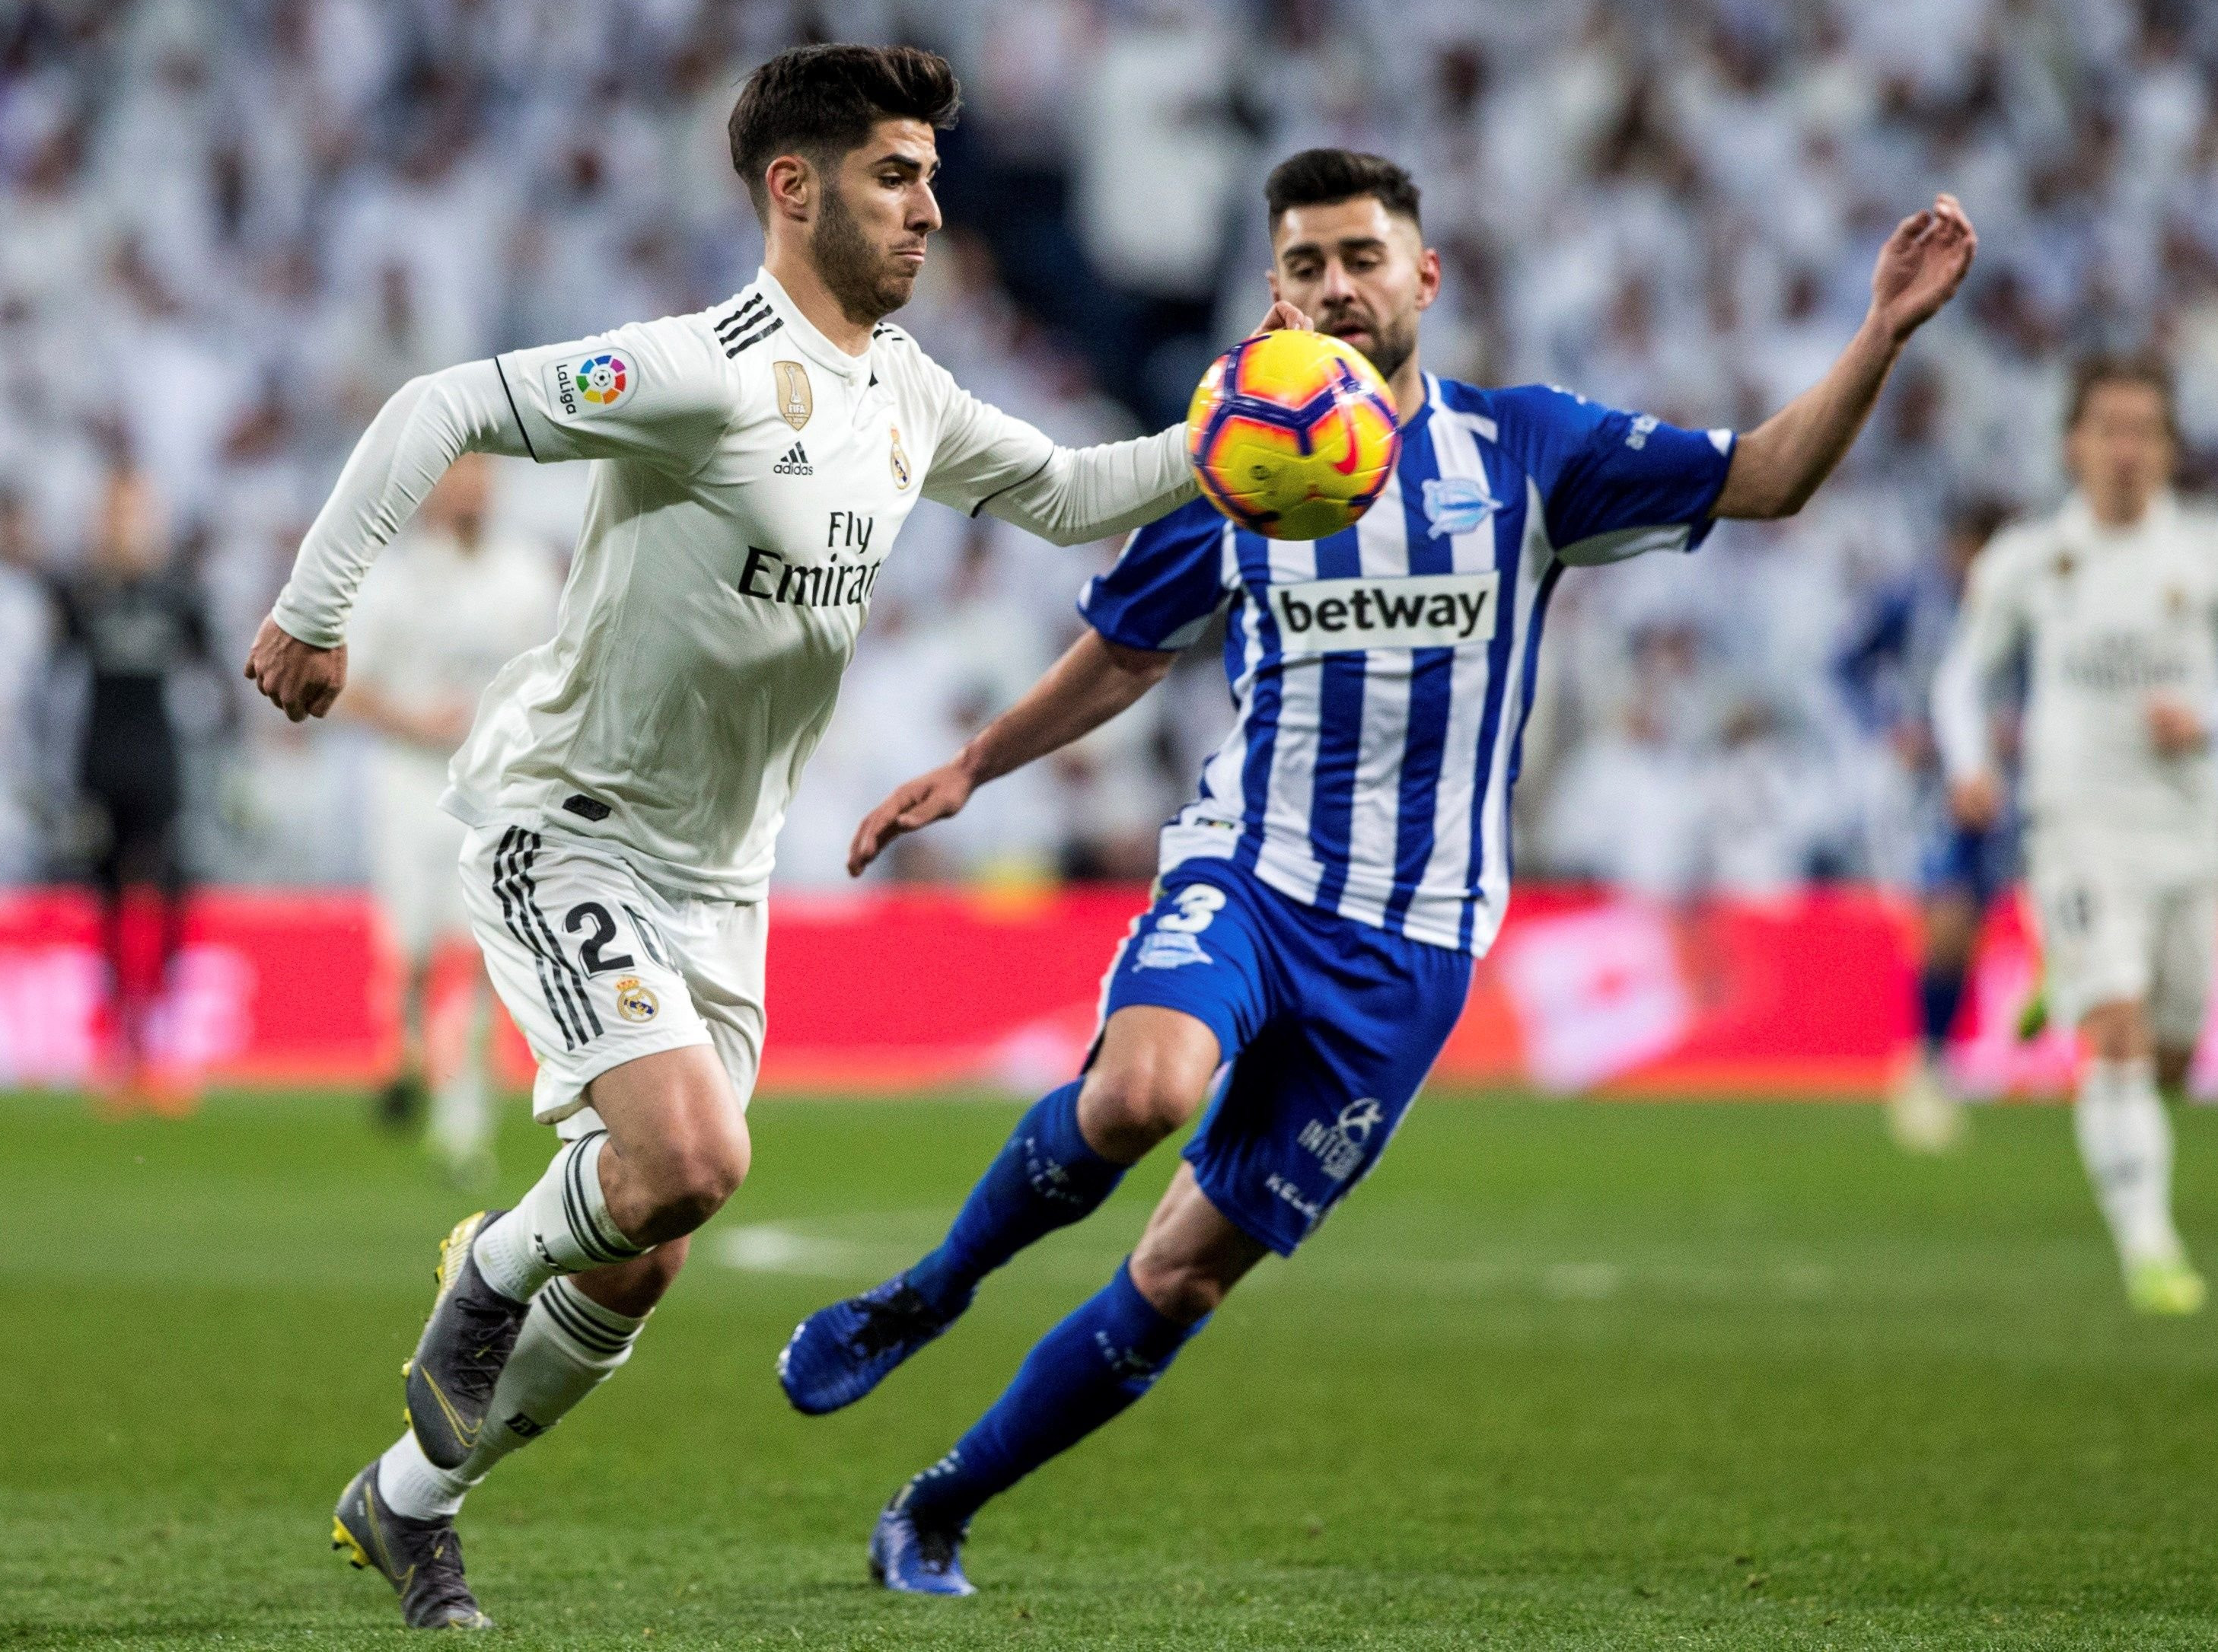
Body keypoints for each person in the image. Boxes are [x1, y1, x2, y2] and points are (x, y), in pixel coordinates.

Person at [776, 148, 1977, 1595]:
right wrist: (976, 761)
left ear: (1424, 276)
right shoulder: (1239, 452)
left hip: (1413, 942)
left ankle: (938, 1503)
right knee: (1141, 1088)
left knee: (1181, 1274)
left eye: (1358, 258)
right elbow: (1124, 655)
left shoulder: (1526, 451)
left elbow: (1766, 477)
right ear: (1270, 290)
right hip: (1251, 867)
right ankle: (928, 1289)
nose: (1333, 289)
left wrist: (1879, 334)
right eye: (1302, 266)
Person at [244, 44, 1306, 1632]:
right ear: (792, 190)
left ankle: (407, 1498)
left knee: (653, 1239)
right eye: (897, 175)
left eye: (935, 177)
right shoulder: (702, 371)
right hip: (569, 820)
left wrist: (1229, 431)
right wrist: (315, 611)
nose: (931, 209)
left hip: (718, 881)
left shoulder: (904, 394)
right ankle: (486, 1271)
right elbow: (440, 401)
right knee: (687, 1157)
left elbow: (1081, 492)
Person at [1932, 355, 2212, 1316]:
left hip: (2191, 835)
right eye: (2109, 430)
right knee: (2120, 1036)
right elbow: (1962, 675)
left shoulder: (2203, 558)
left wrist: (2204, 718)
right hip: (2080, 826)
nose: (2125, 450)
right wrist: (1968, 763)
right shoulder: (2030, 557)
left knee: (2172, 1055)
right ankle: (2151, 1251)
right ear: (2073, 444)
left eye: (2144, 431)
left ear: (2170, 448)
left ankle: (2065, 974)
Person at [336, 454, 557, 1181]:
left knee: (490, 949)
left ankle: (464, 1109)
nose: (470, 490)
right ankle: (403, 1054)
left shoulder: (524, 572)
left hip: (492, 782)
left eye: (481, 476)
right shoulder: (398, 579)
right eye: (458, 476)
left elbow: (558, 673)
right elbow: (349, 686)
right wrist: (413, 721)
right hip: (409, 779)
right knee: (415, 946)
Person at [52, 466, 218, 1108]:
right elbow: (52, 682)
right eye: (116, 516)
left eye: (136, 516)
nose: (126, 530)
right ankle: (120, 1047)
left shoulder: (178, 595)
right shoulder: (80, 595)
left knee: (170, 894)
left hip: (159, 757)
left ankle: (164, 1039)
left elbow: (213, 678)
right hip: (100, 759)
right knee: (109, 906)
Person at [1860, 499, 2016, 1154]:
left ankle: (1940, 1060)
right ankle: (1925, 1063)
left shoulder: (2022, 602)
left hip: (2011, 779)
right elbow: (1845, 665)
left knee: (1975, 917)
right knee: (1948, 910)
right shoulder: (1913, 602)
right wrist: (1887, 729)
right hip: (1933, 789)